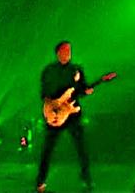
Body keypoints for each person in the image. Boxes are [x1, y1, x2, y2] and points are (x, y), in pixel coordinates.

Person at [37, 41, 93, 193]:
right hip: (55, 112)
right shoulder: (49, 70)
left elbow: (81, 89)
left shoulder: (77, 69)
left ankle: (86, 179)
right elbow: (45, 91)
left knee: (81, 147)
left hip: (72, 113)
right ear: (58, 53)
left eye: (69, 50)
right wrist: (55, 103)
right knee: (48, 149)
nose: (68, 53)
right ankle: (41, 180)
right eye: (64, 50)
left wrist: (86, 91)